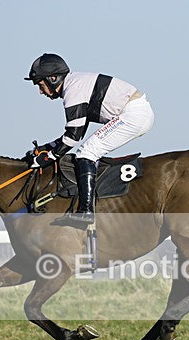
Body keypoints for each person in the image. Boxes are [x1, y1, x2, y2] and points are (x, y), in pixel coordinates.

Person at [25, 53, 154, 225]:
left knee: (86, 153)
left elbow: (73, 136)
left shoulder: (73, 90)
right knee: (87, 151)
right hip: (136, 112)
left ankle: (85, 211)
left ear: (53, 79)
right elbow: (75, 133)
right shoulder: (75, 84)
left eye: (41, 85)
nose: (41, 91)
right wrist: (47, 147)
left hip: (133, 114)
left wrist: (48, 157)